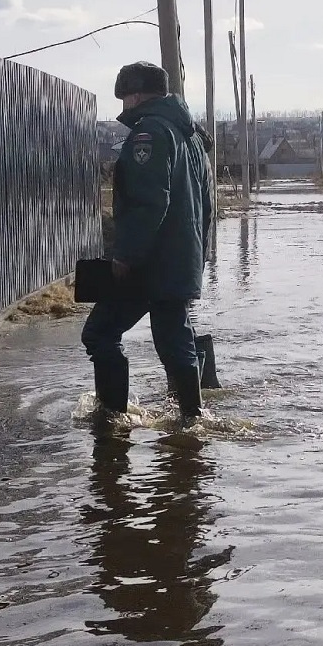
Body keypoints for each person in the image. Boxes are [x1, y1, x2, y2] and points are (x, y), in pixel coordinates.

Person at [82, 62, 214, 421]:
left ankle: (112, 419)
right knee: (174, 340)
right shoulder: (190, 137)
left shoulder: (150, 133)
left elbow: (149, 201)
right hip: (180, 259)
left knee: (100, 332)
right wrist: (197, 258)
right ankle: (192, 418)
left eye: (125, 97)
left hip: (152, 261)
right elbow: (207, 206)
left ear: (135, 95)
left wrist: (125, 255)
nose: (124, 105)